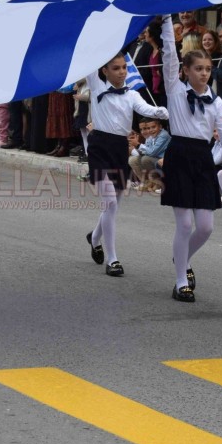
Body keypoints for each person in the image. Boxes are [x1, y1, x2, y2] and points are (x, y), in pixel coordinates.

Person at [160, 14, 222, 302]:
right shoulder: (175, 90)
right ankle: (180, 282)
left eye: (207, 69)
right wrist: (166, 21)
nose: (203, 73)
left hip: (202, 159)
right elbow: (168, 56)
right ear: (185, 71)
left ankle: (182, 259)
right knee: (185, 225)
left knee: (207, 226)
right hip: (179, 155)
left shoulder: (217, 101)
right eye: (198, 68)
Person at [83, 53, 169, 277]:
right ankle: (113, 259)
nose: (122, 72)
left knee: (114, 205)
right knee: (109, 202)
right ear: (105, 71)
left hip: (120, 148)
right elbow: (89, 59)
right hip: (100, 147)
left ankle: (94, 238)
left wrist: (160, 111)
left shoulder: (131, 94)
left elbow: (146, 109)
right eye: (116, 68)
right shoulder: (97, 87)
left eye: (124, 68)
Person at [128, 117, 170, 192]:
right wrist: (135, 148)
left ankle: (158, 182)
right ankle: (146, 182)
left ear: (160, 127)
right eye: (148, 128)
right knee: (132, 160)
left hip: (164, 161)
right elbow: (146, 151)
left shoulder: (164, 135)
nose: (150, 130)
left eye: (153, 127)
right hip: (155, 160)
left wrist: (138, 145)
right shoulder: (150, 136)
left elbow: (152, 152)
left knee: (145, 159)